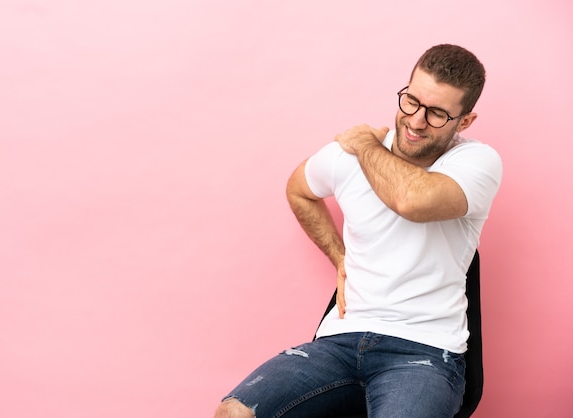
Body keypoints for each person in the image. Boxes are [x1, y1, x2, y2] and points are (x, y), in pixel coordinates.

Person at [214, 44, 503, 418]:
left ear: (464, 121)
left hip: (424, 351)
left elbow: (411, 200)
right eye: (411, 101)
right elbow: (298, 189)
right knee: (234, 412)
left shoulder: (476, 162)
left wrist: (366, 144)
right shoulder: (345, 158)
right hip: (340, 342)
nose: (416, 121)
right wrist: (339, 257)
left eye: (436, 114)